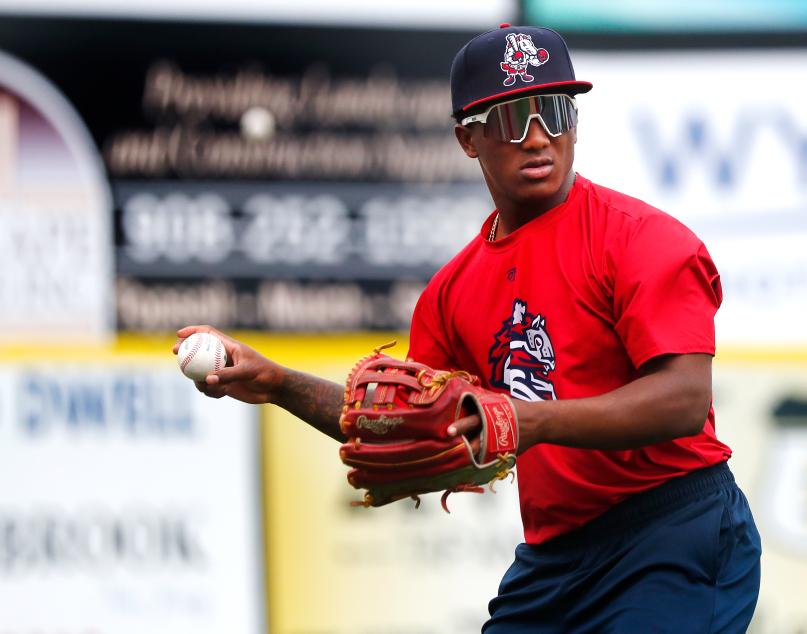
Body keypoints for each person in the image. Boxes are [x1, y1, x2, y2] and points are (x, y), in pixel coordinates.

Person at [175, 24, 761, 633]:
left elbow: (684, 402)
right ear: (467, 138)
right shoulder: (452, 291)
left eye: (555, 111)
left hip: (675, 529)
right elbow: (394, 423)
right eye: (510, 118)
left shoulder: (642, 240)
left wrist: (529, 420)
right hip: (557, 558)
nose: (538, 137)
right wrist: (275, 382)